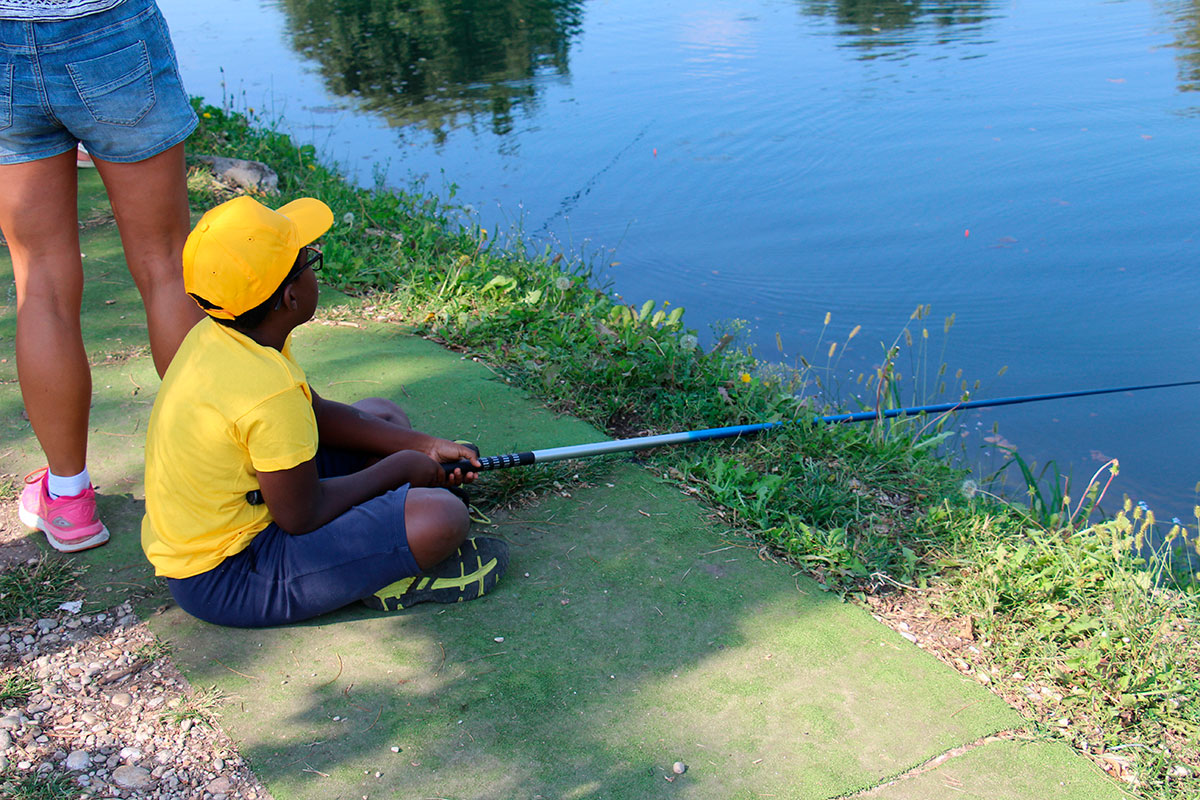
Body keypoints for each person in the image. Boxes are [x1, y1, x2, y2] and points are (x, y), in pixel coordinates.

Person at [139, 195, 506, 627]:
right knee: (442, 517)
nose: (315, 267)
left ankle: (384, 521)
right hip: (230, 576)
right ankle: (389, 576)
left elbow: (315, 413)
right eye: (308, 260)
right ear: (291, 297)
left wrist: (423, 446)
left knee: (383, 416)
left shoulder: (228, 334)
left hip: (257, 510)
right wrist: (402, 468)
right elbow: (300, 516)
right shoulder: (264, 390)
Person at [2, 0, 204, 553]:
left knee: (40, 282)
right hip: (106, 27)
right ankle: (212, 474)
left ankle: (68, 500)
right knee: (166, 264)